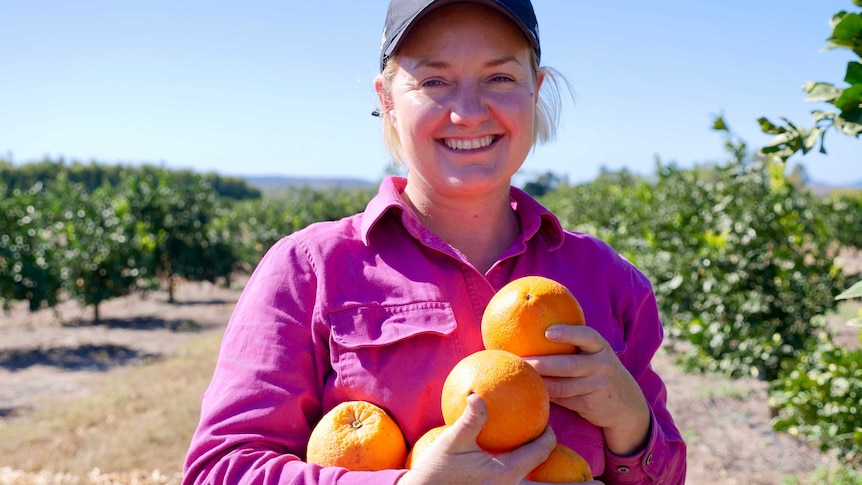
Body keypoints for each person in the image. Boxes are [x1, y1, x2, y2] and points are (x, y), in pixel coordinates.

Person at [182, 0, 687, 483]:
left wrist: (630, 420)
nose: (468, 112)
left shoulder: (609, 279)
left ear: (535, 89)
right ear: (387, 101)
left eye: (500, 77)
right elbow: (219, 470)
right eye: (434, 80)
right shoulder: (308, 269)